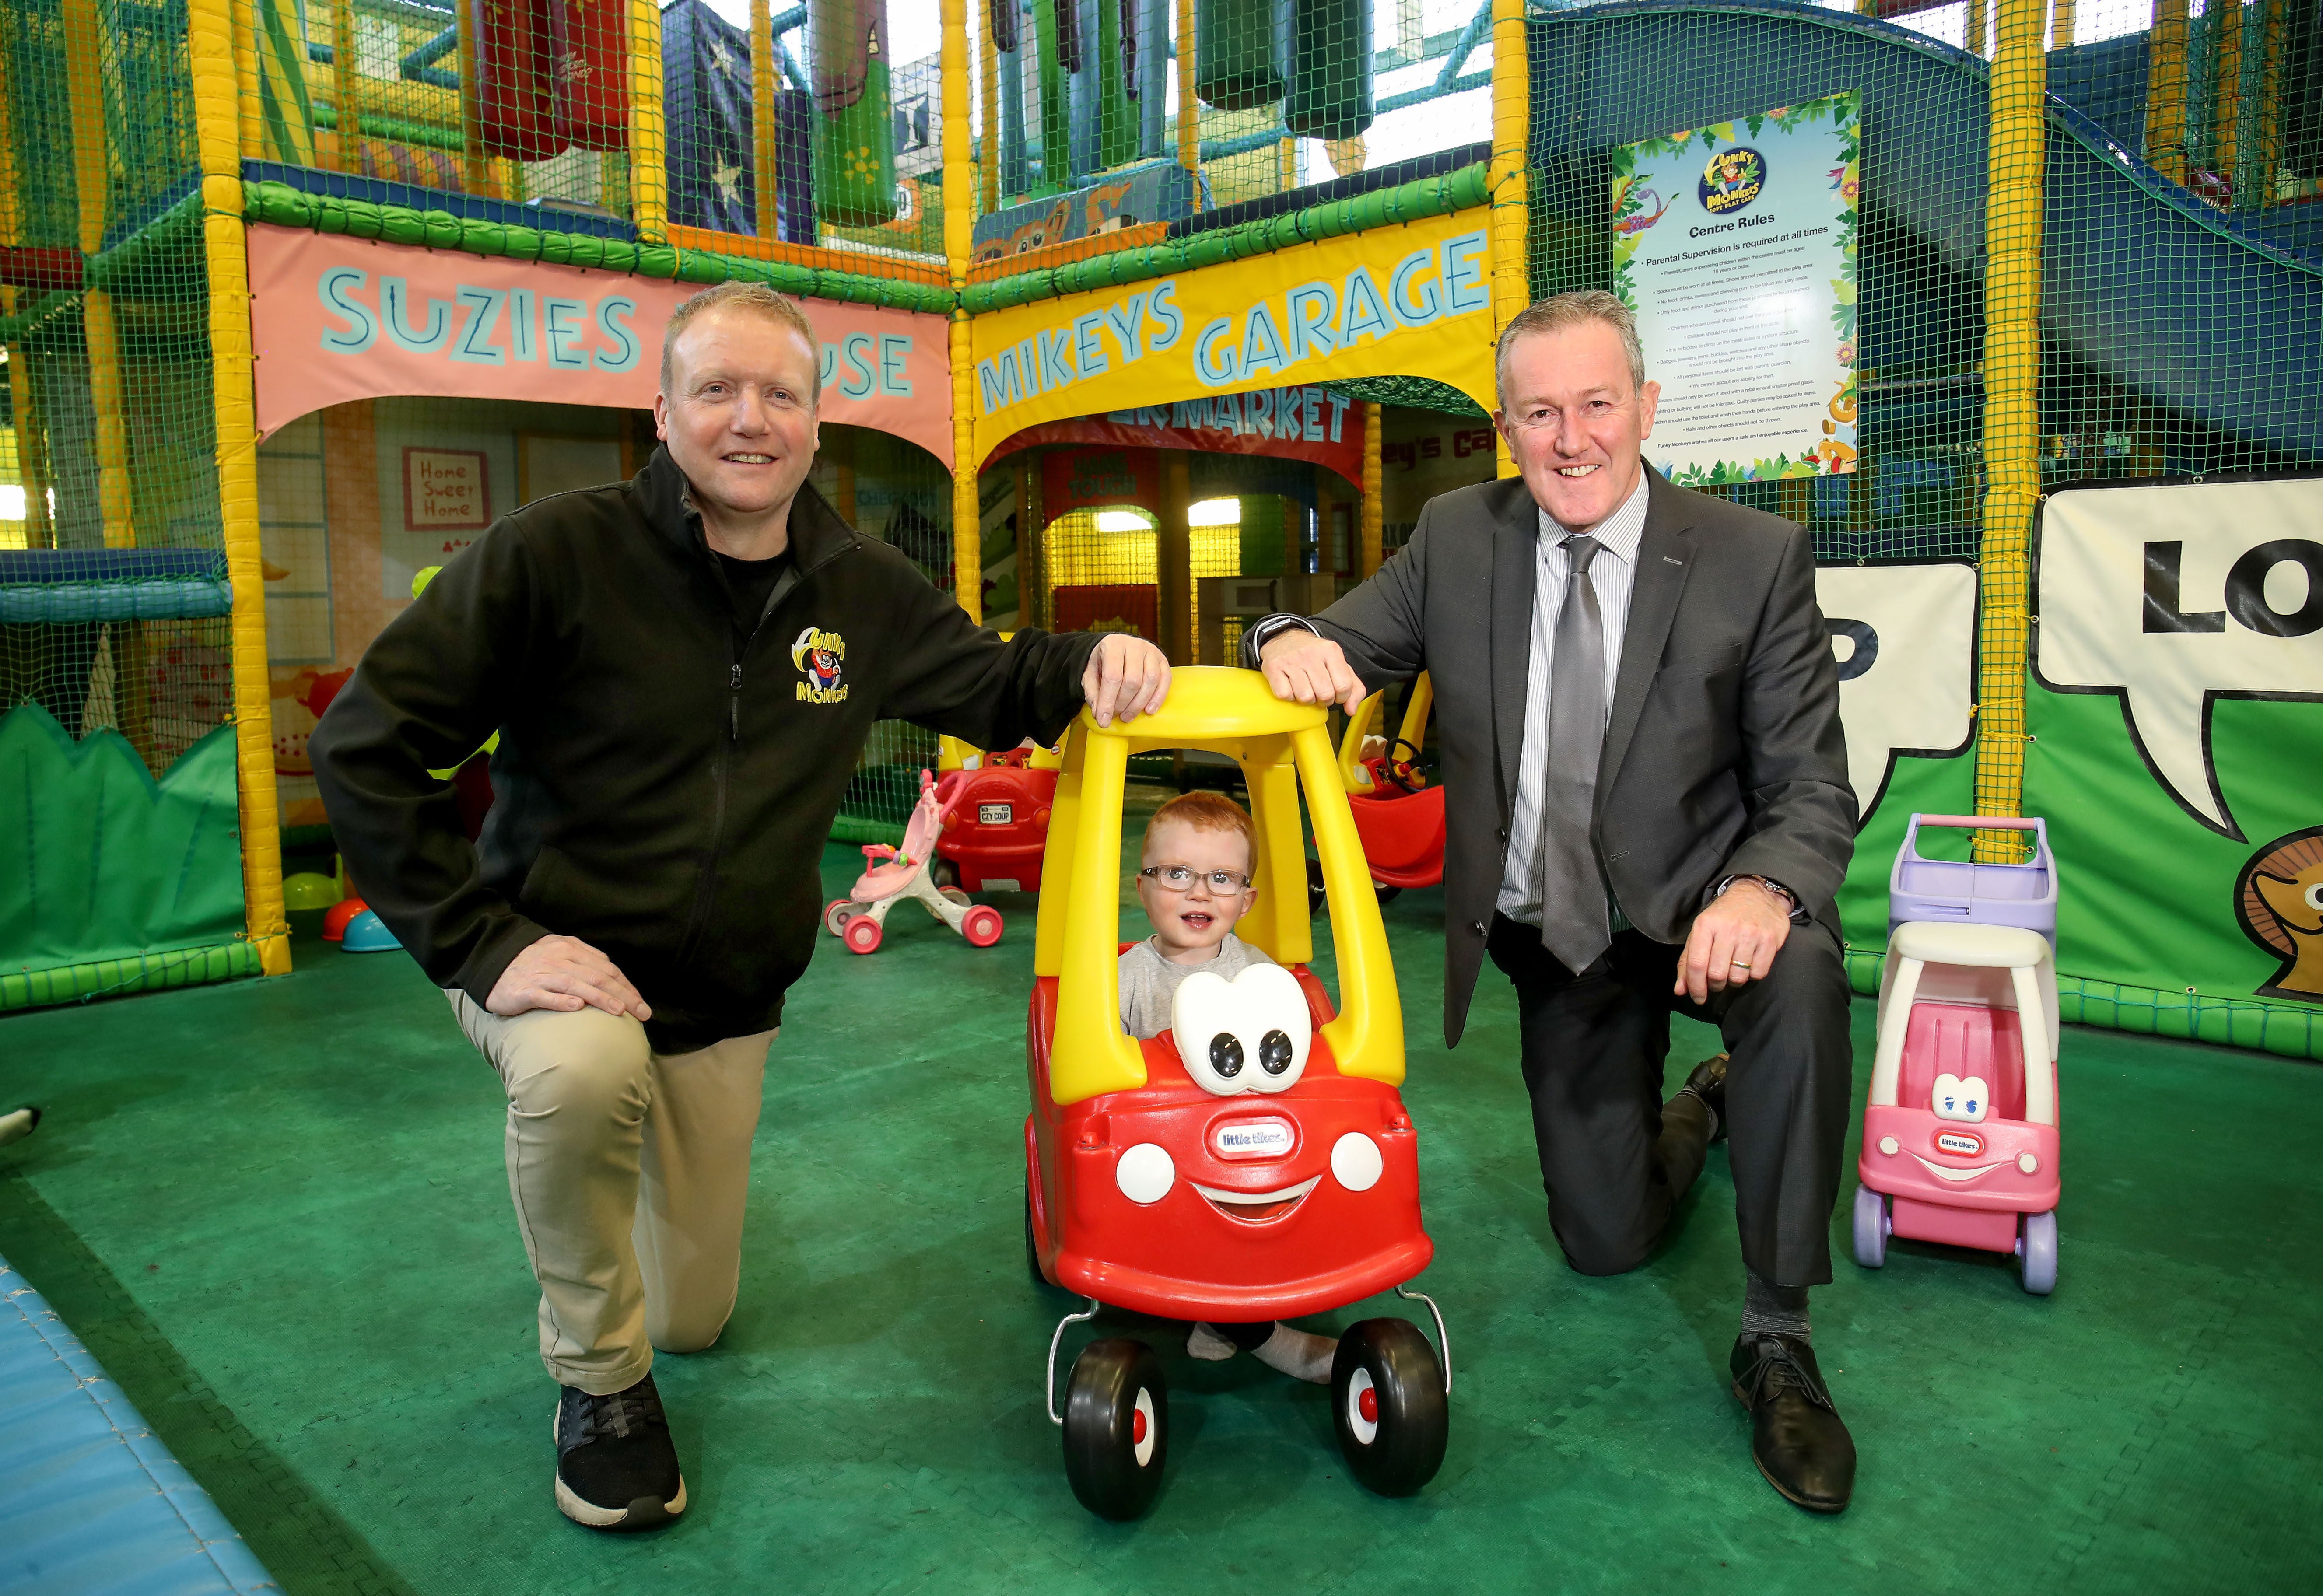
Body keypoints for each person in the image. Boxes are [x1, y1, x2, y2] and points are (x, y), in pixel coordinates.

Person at [310, 281, 1173, 1532]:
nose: (748, 418)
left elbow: (995, 684)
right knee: (581, 1078)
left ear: (817, 428)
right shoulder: (555, 554)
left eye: (780, 393)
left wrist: (1094, 661)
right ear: (662, 415)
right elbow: (364, 745)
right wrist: (482, 944)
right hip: (553, 961)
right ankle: (600, 1386)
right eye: (715, 388)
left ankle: (624, 1303)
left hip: (727, 1000)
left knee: (696, 1319)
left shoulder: (859, 590)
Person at [1246, 290, 1860, 1512]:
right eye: (1539, 413)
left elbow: (1810, 787)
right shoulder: (1457, 536)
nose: (1569, 438)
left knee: (1796, 966)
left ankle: (1777, 1335)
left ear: (1642, 408)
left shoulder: (1750, 556)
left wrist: (1755, 886)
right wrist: (1280, 638)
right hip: (1558, 938)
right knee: (1604, 1242)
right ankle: (1706, 1106)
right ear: (1505, 427)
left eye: (1592, 405)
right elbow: (1331, 641)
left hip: (1703, 901)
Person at [1117, 791, 1337, 1384]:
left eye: (1221, 878)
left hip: (1250, 1153)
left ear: (1246, 899)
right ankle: (1265, 1338)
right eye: (1177, 873)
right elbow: (1101, 1074)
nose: (1199, 892)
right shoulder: (1124, 979)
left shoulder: (1259, 975)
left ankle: (1225, 1314)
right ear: (1142, 887)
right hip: (1165, 1159)